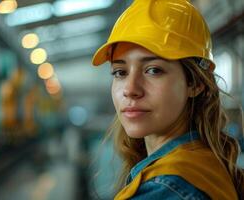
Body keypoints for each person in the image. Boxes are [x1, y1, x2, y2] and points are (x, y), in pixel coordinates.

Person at [92, 0, 244, 199]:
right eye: (120, 72)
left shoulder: (166, 190)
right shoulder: (206, 165)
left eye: (153, 70)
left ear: (195, 83)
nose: (130, 89)